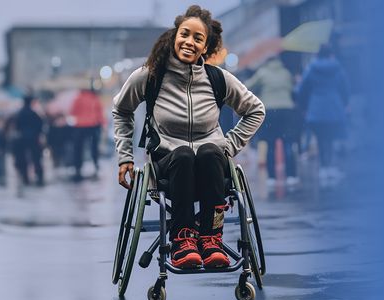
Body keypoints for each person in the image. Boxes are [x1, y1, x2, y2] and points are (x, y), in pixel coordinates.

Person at [113, 5, 265, 269]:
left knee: (210, 151)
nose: (189, 42)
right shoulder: (151, 75)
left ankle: (211, 238)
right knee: (183, 154)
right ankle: (183, 240)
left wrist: (230, 145)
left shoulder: (218, 79)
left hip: (211, 164)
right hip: (168, 163)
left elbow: (256, 110)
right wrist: (125, 156)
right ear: (175, 36)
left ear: (205, 47)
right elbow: (121, 109)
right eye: (185, 34)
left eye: (198, 38)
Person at [295, 44, 349, 187]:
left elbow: (302, 90)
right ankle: (329, 167)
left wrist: (304, 107)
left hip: (316, 108)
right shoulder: (337, 68)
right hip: (334, 107)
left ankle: (323, 168)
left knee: (320, 138)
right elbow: (345, 87)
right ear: (331, 54)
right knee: (330, 137)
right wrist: (344, 103)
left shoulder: (311, 69)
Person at [245, 57, 301, 189]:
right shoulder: (286, 73)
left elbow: (247, 87)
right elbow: (292, 88)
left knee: (270, 144)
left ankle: (271, 177)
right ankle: (291, 176)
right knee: (288, 143)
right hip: (287, 110)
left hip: (269, 111)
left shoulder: (262, 73)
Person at [69, 87, 105, 181]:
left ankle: (78, 168)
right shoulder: (94, 98)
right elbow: (100, 113)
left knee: (78, 149)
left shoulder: (77, 98)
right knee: (94, 148)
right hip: (93, 125)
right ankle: (96, 165)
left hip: (79, 126)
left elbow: (72, 112)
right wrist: (102, 124)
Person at [13, 95, 46, 187]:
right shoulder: (34, 114)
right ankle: (39, 177)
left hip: (22, 138)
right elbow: (40, 124)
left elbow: (17, 126)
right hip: (33, 138)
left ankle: (25, 178)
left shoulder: (20, 113)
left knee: (23, 158)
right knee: (36, 158)